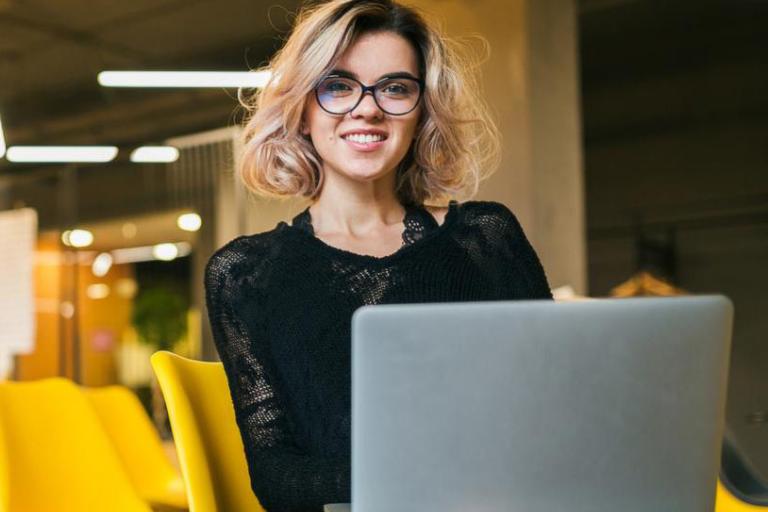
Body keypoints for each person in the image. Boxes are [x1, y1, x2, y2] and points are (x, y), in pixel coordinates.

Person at [204, 0, 552, 510]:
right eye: (338, 86)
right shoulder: (248, 275)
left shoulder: (484, 239)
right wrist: (424, 481)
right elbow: (277, 476)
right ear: (302, 110)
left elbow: (555, 408)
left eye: (395, 89)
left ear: (421, 113)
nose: (367, 108)